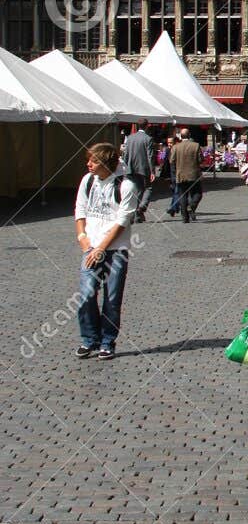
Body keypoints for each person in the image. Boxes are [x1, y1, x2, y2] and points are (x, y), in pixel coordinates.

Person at [74, 143, 140, 359]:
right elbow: (80, 210)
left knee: (112, 298)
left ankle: (107, 342)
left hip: (115, 250)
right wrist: (83, 239)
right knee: (86, 294)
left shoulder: (126, 186)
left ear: (106, 163)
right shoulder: (87, 181)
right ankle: (89, 339)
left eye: (94, 161)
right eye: (89, 160)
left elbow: (122, 221)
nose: (89, 164)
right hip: (91, 248)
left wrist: (102, 247)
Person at [120, 122, 155, 222]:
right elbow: (150, 156)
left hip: (131, 168)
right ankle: (141, 206)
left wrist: (125, 167)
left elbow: (126, 154)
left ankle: (137, 215)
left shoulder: (130, 138)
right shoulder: (148, 138)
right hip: (143, 168)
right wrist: (152, 171)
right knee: (148, 188)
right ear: (146, 126)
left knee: (136, 190)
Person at [170, 129, 204, 223]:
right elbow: (200, 159)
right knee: (197, 193)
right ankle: (191, 206)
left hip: (180, 175)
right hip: (194, 174)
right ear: (189, 135)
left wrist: (176, 170)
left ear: (181, 136)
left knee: (183, 195)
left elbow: (172, 160)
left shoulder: (176, 147)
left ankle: (185, 218)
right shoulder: (196, 145)